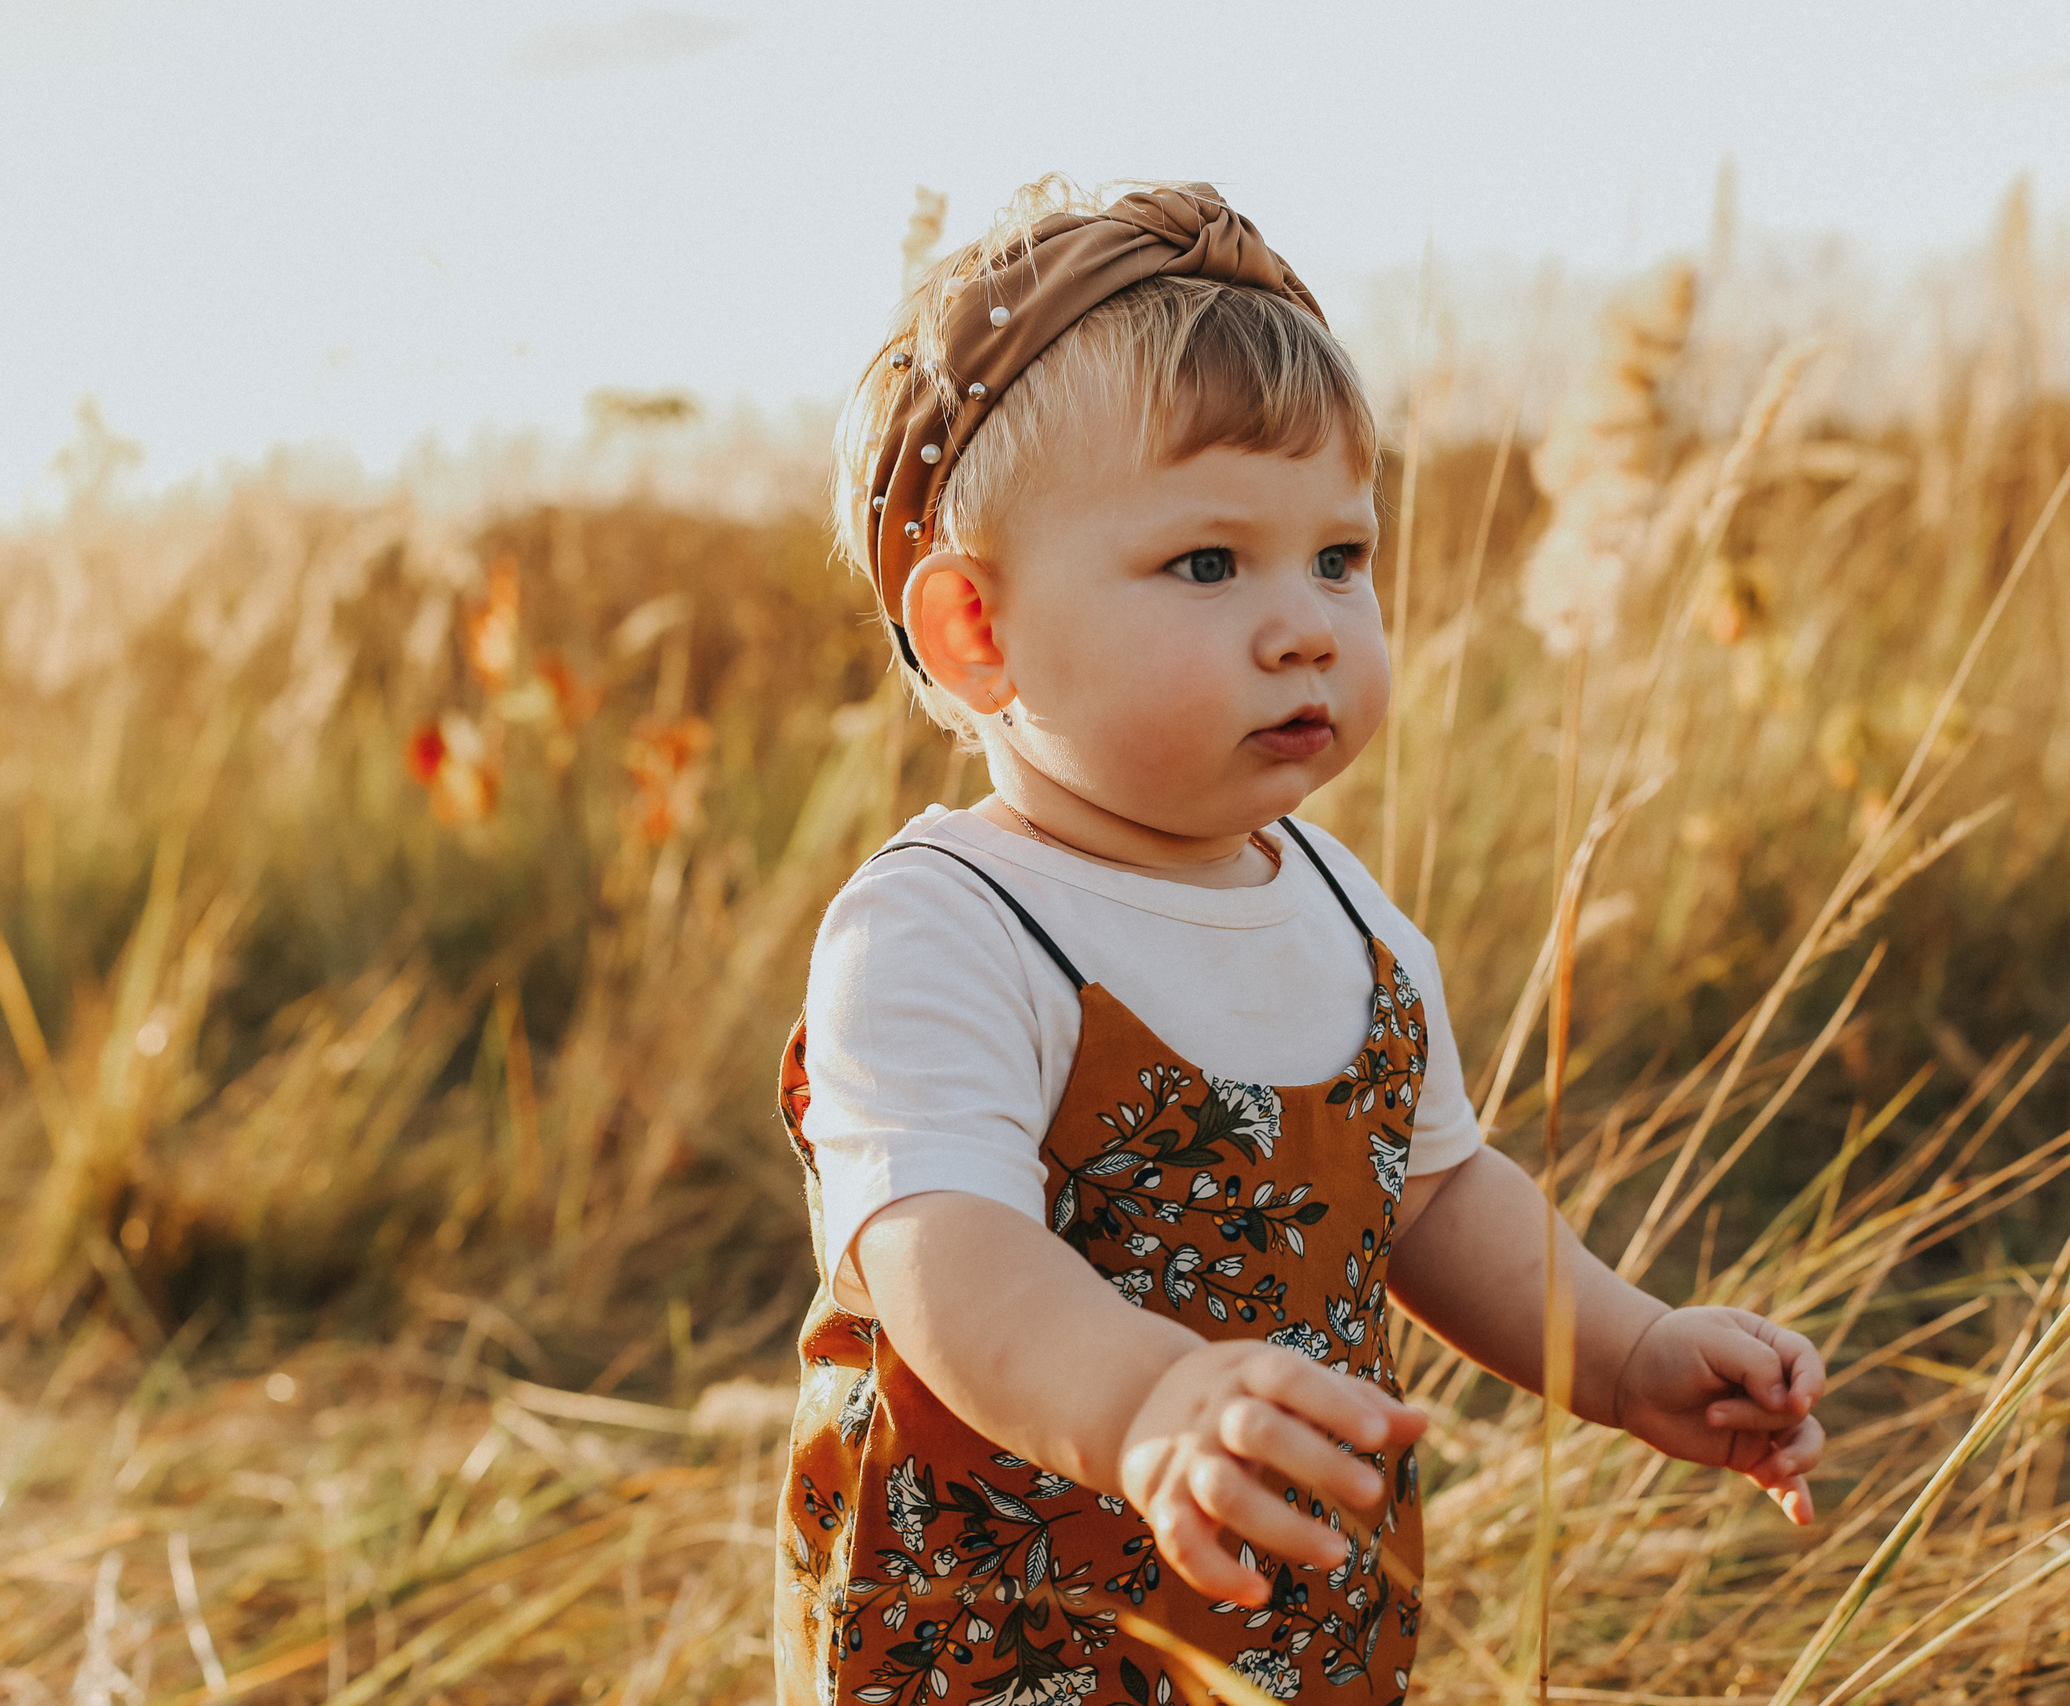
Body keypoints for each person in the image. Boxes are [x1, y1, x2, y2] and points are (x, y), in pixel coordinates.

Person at [773, 180, 1826, 1706]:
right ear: (977, 632)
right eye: (1209, 564)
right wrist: (1147, 1405)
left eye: (1340, 555)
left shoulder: (1348, 915)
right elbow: (947, 1253)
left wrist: (1628, 1350)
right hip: (999, 1634)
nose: (1308, 623)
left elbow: (1441, 1191)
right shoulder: (943, 923)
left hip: (1289, 1612)